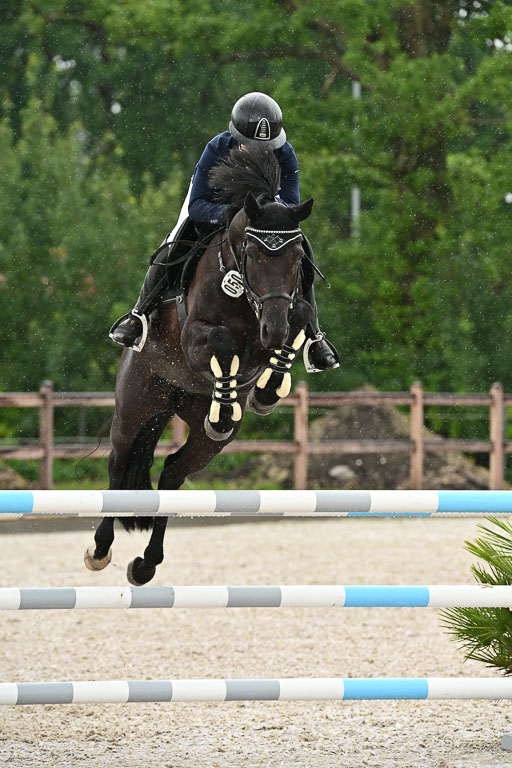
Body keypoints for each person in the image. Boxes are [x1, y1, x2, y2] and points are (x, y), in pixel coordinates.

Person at [110, 92, 339, 372]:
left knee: (300, 247)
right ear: (236, 137)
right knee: (175, 239)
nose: (260, 152)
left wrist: (269, 212)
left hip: (263, 220)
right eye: (251, 145)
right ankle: (139, 315)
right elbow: (197, 206)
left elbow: (290, 204)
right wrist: (230, 216)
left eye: (266, 147)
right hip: (216, 211)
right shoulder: (217, 148)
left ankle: (315, 336)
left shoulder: (285, 153)